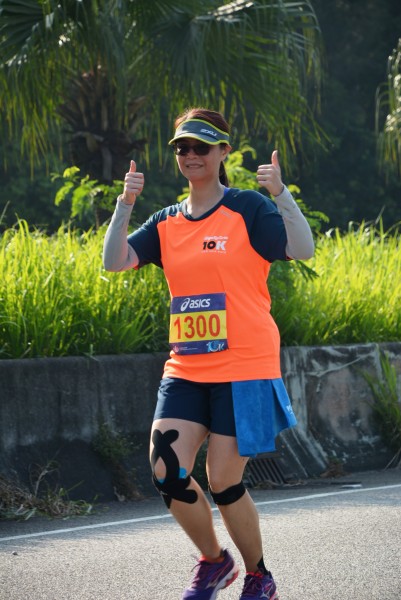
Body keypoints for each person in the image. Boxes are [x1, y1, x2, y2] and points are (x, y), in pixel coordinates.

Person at [103, 107, 314, 600]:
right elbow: (114, 261)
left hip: (244, 366)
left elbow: (302, 249)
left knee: (223, 482)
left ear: (223, 152)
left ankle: (259, 575)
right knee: (166, 469)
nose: (191, 155)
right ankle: (215, 562)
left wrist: (280, 194)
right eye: (183, 147)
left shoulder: (247, 208)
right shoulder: (166, 222)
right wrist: (125, 205)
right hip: (187, 367)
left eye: (201, 146)